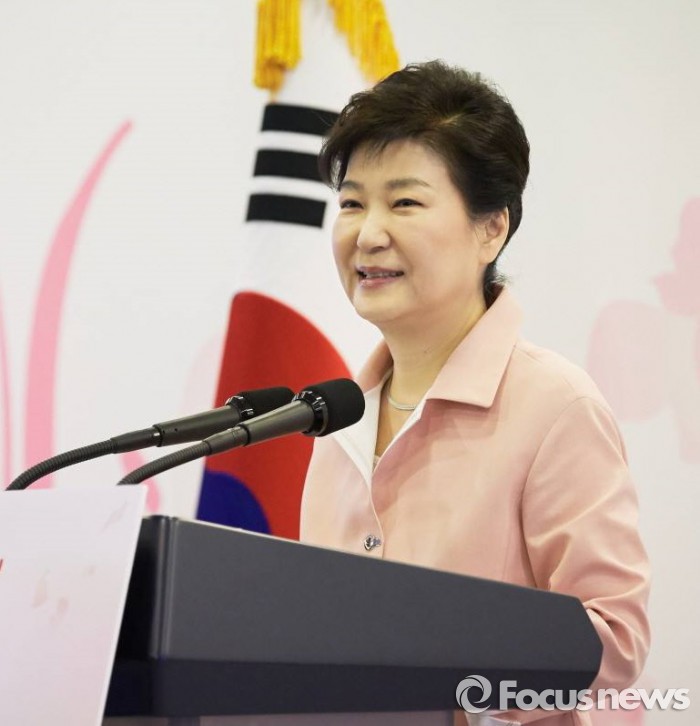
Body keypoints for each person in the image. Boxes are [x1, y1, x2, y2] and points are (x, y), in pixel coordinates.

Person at [299, 60, 650, 725]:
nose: (368, 233)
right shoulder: (336, 420)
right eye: (351, 203)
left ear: (492, 227)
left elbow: (614, 642)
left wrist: (446, 678)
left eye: (404, 202)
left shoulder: (554, 406)